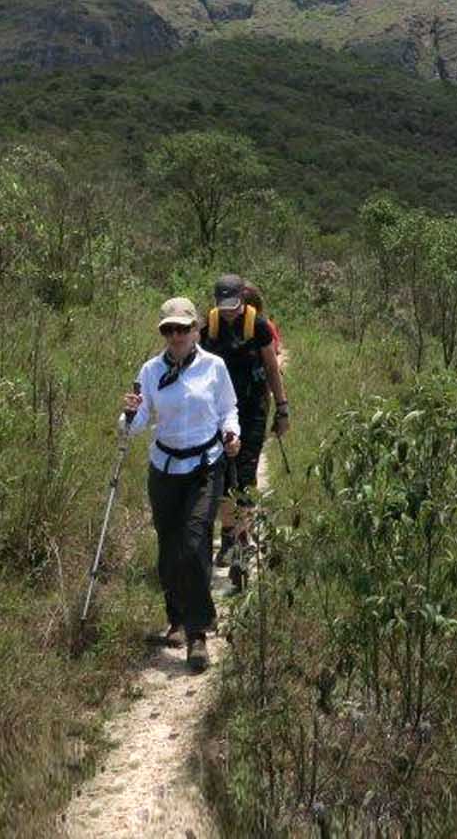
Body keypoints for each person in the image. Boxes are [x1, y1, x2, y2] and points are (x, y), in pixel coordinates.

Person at [121, 297, 240, 673]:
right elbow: (135, 425)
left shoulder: (214, 367)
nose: (175, 336)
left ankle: (197, 633)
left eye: (182, 329)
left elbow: (228, 408)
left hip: (205, 465)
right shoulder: (151, 371)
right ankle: (176, 618)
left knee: (193, 544)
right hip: (164, 467)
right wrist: (127, 414)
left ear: (196, 330)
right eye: (168, 330)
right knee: (169, 551)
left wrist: (231, 432)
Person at [198, 274, 289, 591]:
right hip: (216, 413)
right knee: (222, 476)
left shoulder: (260, 327)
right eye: (223, 305)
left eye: (233, 304)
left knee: (246, 477)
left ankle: (238, 544)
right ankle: (230, 535)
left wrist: (282, 407)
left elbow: (272, 369)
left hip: (251, 412)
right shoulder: (207, 329)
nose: (228, 311)